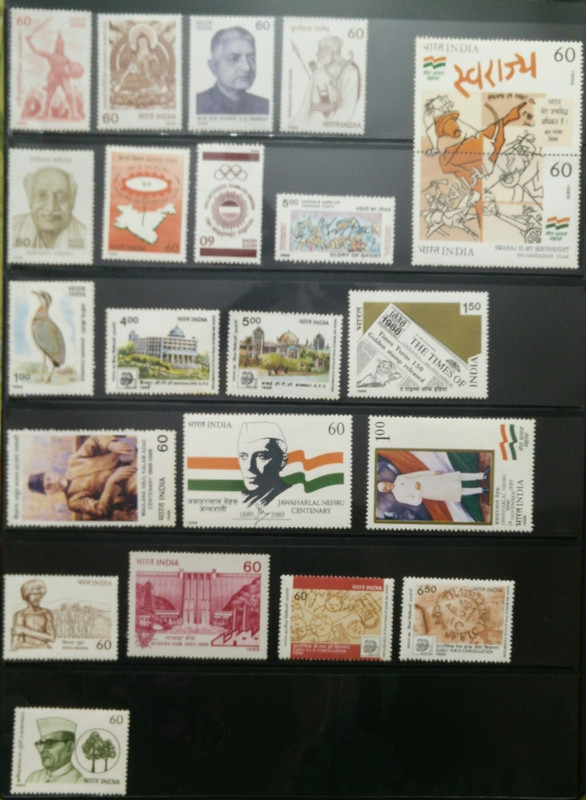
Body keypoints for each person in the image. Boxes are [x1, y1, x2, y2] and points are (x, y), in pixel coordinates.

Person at [27, 435, 137, 521]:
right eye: (49, 487)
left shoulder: (74, 461)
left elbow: (95, 440)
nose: (53, 482)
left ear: (51, 473)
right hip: (127, 485)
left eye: (49, 478)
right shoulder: (73, 502)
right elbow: (101, 510)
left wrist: (110, 445)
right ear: (50, 493)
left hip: (127, 456)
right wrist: (112, 482)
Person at [290, 35, 360, 126]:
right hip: (311, 124)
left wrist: (326, 127)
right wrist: (292, 126)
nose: (316, 54)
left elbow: (347, 111)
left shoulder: (350, 72)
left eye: (320, 50)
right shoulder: (317, 73)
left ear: (330, 51)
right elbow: (304, 109)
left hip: (331, 127)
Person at [196, 27, 269, 115]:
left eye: (251, 58)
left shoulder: (265, 107)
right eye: (234, 58)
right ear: (213, 66)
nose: (247, 67)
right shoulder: (197, 105)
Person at [12, 166, 86, 250]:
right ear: (30, 199)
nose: (51, 208)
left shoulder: (86, 237)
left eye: (61, 197)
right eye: (42, 196)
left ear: (72, 201)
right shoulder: (12, 229)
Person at [26, 30, 81, 120]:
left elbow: (73, 69)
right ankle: (44, 113)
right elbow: (36, 51)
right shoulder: (51, 55)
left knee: (69, 95)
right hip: (53, 77)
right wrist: (29, 42)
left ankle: (74, 114)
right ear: (56, 46)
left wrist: (75, 72)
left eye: (62, 45)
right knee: (49, 97)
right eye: (59, 45)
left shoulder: (66, 58)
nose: (60, 47)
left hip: (64, 77)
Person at [377, 466, 490, 506]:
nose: (387, 485)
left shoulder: (399, 478)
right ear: (386, 491)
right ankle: (482, 490)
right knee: (457, 491)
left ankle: (481, 475)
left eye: (385, 483)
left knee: (457, 476)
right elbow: (416, 502)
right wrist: (416, 491)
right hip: (431, 491)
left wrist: (431, 473)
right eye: (385, 487)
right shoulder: (399, 497)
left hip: (431, 479)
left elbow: (417, 474)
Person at [238, 422, 289, 507]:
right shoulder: (242, 498)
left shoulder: (287, 495)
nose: (249, 467)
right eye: (243, 456)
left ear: (283, 461)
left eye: (261, 456)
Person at [26, 717, 85, 784]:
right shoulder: (33, 778)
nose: (41, 750)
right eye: (40, 744)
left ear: (69, 747)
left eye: (49, 743)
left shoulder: (79, 781)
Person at [11, 579, 56, 650]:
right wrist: (40, 647)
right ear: (26, 596)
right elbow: (14, 645)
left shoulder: (47, 613)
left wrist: (25, 631)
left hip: (45, 652)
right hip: (28, 653)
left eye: (39, 594)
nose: (37, 597)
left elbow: (52, 638)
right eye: (33, 594)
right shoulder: (20, 614)